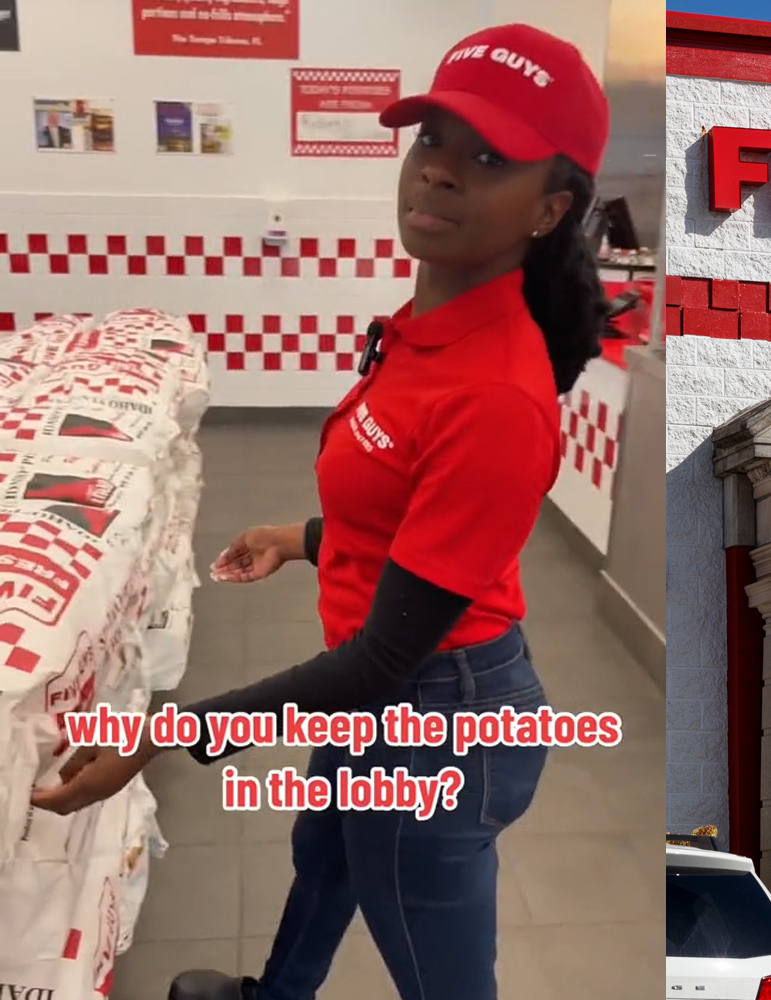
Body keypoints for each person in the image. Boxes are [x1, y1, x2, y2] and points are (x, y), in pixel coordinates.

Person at [28, 23, 611, 1000]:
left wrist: (161, 735)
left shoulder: (497, 396)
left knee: (437, 968)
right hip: (392, 694)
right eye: (433, 139)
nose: (441, 173)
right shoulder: (423, 330)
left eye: (489, 157)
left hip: (437, 720)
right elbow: (404, 524)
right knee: (327, 851)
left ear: (550, 207)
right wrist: (302, 539)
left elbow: (387, 655)